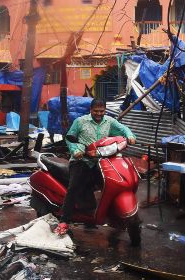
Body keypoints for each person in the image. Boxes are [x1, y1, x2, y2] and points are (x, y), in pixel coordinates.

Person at [55, 98, 136, 236]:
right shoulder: (80, 121)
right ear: (90, 110)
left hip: (101, 160)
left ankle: (108, 215)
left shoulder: (109, 121)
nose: (99, 114)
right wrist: (76, 150)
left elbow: (123, 129)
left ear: (105, 110)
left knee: (111, 185)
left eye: (102, 111)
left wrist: (130, 135)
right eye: (96, 111)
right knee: (74, 187)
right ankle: (64, 220)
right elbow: (70, 137)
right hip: (81, 160)